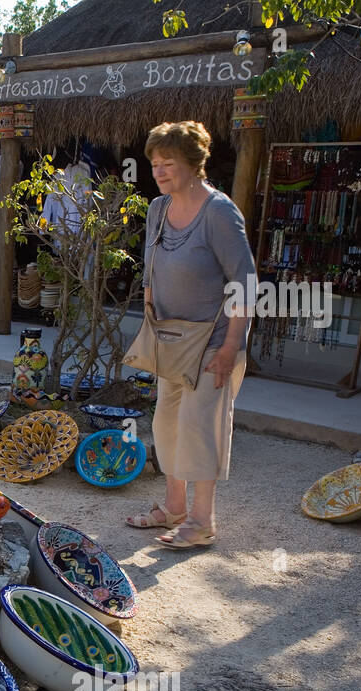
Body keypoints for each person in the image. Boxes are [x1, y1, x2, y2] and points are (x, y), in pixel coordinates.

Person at [126, 121, 254, 548]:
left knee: (200, 426)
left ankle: (202, 521)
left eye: (169, 163)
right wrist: (151, 322)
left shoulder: (219, 212)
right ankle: (174, 507)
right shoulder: (158, 208)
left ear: (194, 164)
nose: (160, 171)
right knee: (166, 424)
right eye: (155, 163)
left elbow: (244, 282)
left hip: (213, 341)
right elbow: (150, 271)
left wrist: (231, 347)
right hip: (171, 340)